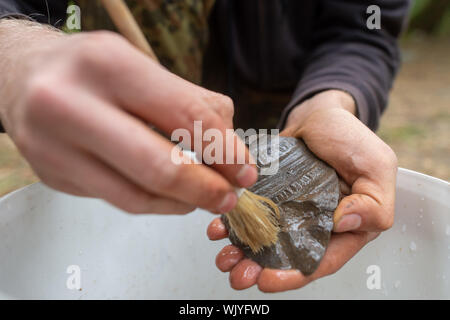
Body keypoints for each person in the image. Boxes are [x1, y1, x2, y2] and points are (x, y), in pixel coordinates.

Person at [0, 0, 409, 292]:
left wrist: (331, 99)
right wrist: (14, 55)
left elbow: (363, 29)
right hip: (122, 138)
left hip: (285, 137)